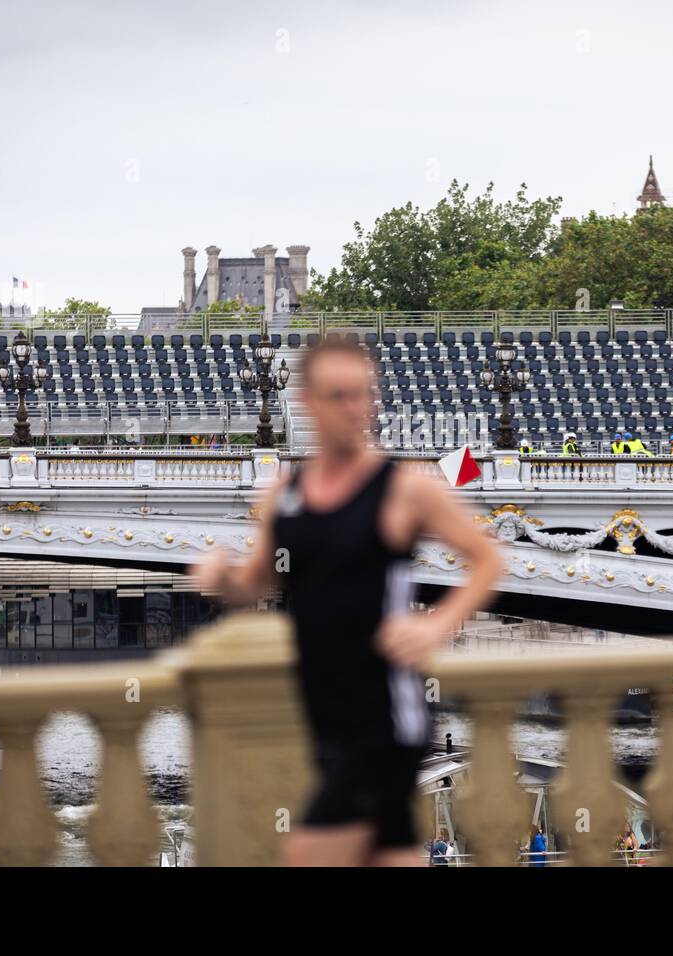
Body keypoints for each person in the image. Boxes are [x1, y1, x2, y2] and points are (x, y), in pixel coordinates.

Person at [190, 338, 503, 867]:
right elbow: (255, 585)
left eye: (363, 395)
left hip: (382, 715)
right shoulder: (283, 498)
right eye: (339, 396)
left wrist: (437, 626)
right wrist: (220, 576)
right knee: (392, 854)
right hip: (323, 712)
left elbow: (488, 559)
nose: (356, 409)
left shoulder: (402, 489)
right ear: (307, 402)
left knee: (309, 853)